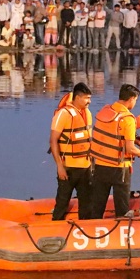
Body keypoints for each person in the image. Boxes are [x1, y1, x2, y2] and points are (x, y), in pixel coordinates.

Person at [89, 84, 140, 219]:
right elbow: (130, 148)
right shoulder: (128, 119)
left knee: (98, 204)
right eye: (136, 100)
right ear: (132, 99)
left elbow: (116, 135)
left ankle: (93, 228)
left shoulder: (106, 110)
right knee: (122, 207)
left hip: (100, 165)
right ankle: (122, 234)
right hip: (119, 168)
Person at [50, 83, 94, 221]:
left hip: (85, 167)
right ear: (78, 97)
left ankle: (85, 230)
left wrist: (92, 164)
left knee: (86, 203)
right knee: (62, 202)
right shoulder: (63, 114)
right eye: (87, 98)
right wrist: (59, 166)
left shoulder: (87, 113)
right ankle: (55, 229)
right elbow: (53, 141)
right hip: (68, 168)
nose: (89, 101)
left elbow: (89, 140)